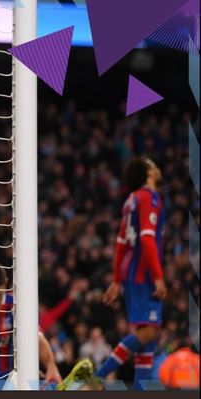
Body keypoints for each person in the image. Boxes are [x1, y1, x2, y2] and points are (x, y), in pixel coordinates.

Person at [61, 157, 166, 391]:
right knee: (151, 330)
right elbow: (147, 239)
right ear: (148, 174)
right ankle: (95, 378)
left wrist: (118, 280)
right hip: (143, 273)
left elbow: (120, 243)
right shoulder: (149, 197)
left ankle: (140, 389)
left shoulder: (131, 200)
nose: (157, 167)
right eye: (152, 165)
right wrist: (158, 276)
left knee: (145, 336)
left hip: (131, 272)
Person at [0, 265, 62, 390]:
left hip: (7, 377)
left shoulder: (15, 305)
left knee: (49, 385)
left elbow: (37, 337)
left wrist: (51, 365)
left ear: (5, 285)